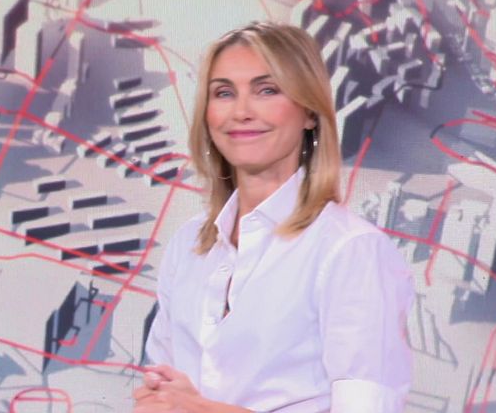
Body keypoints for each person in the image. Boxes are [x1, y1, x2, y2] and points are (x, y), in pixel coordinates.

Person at [133, 21, 414, 413]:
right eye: (224, 93)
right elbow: (161, 392)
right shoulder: (188, 245)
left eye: (267, 90)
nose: (241, 112)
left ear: (310, 112)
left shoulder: (352, 251)